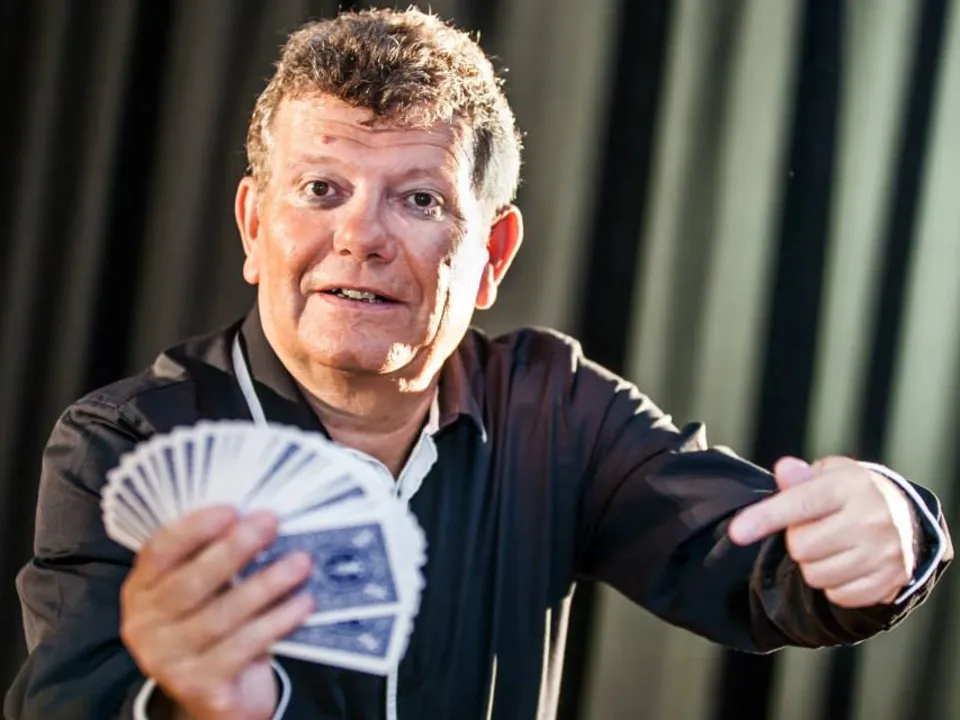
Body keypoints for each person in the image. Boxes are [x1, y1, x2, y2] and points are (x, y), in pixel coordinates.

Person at [4, 7, 952, 720]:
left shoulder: (555, 411)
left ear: (492, 256)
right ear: (255, 228)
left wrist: (893, 530)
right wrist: (184, 708)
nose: (362, 237)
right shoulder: (123, 444)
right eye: (322, 189)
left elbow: (754, 564)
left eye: (418, 200)